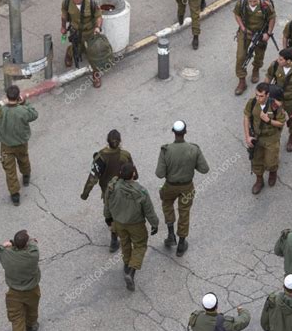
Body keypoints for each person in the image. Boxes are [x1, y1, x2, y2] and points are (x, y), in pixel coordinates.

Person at [155, 120, 209, 257]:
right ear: (185, 132)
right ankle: (181, 244)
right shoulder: (194, 149)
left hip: (170, 186)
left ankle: (171, 234)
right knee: (184, 213)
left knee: (167, 205)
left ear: (173, 132)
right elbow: (204, 169)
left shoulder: (165, 150)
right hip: (187, 187)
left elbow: (159, 174)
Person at [104, 163, 159, 291]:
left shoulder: (113, 186)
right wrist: (154, 224)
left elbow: (107, 204)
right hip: (136, 224)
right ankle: (131, 272)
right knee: (140, 245)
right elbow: (149, 211)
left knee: (125, 243)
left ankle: (126, 264)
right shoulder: (141, 191)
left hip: (119, 223)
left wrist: (108, 218)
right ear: (133, 174)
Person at [81, 130, 138, 253]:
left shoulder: (100, 157)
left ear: (107, 140)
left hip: (108, 191)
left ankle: (114, 240)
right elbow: (135, 174)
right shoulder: (125, 155)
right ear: (120, 141)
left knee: (111, 214)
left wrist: (85, 194)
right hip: (124, 190)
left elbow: (92, 178)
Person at [0, 85, 38, 206]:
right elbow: (34, 114)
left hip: (6, 146)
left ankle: (15, 195)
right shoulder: (23, 110)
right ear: (18, 97)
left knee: (10, 170)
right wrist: (25, 103)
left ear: (7, 96)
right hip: (22, 143)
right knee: (24, 159)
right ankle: (26, 176)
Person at [0, 230, 41, 331]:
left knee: (17, 320)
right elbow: (34, 243)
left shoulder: (6, 255)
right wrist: (29, 240)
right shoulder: (33, 255)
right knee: (32, 309)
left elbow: (2, 247)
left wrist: (11, 243)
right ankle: (31, 327)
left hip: (14, 293)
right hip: (31, 290)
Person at [243, 82, 287, 194]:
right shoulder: (252, 102)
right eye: (257, 95)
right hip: (257, 137)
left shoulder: (275, 106)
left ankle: (273, 172)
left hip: (271, 138)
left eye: (261, 96)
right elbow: (246, 117)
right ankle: (259, 180)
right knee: (256, 160)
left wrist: (269, 120)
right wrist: (247, 136)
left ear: (267, 95)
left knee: (271, 161)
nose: (258, 98)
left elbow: (281, 123)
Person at [264, 48, 292, 152]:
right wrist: (264, 92)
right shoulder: (275, 65)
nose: (277, 60)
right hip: (276, 98)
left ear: (288, 61)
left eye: (281, 59)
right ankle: (273, 138)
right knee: (272, 117)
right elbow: (268, 77)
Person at [233, 0, 276, 95]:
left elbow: (272, 17)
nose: (252, 3)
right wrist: (242, 28)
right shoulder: (242, 2)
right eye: (250, 1)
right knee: (240, 56)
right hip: (246, 32)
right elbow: (236, 14)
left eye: (255, 1)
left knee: (259, 54)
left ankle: (256, 69)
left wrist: (269, 33)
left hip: (261, 33)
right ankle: (242, 81)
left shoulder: (265, 5)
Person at [61, 0, 103, 87]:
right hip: (76, 31)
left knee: (93, 53)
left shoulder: (91, 2)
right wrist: (63, 27)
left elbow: (99, 16)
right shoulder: (67, 2)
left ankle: (96, 75)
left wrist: (98, 27)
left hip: (90, 31)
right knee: (77, 49)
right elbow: (64, 16)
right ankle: (69, 52)